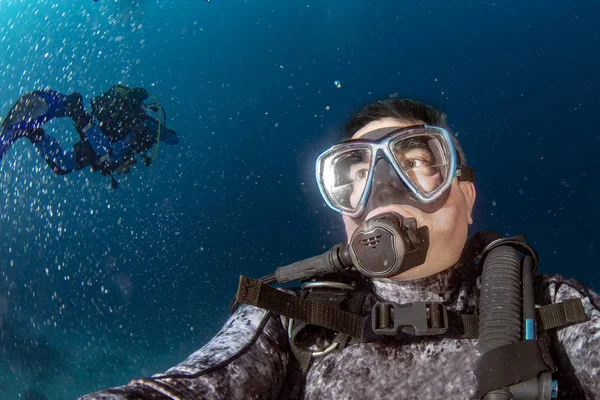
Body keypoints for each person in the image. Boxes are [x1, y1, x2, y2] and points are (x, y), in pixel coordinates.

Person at [80, 99, 600, 399]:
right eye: (354, 174)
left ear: (466, 195)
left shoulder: (554, 310)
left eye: (416, 162)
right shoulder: (294, 320)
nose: (381, 188)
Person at [0, 85, 179, 188]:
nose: (126, 169)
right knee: (103, 152)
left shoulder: (123, 150)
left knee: (62, 165)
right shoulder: (137, 131)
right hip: (104, 143)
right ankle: (74, 110)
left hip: (101, 144)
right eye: (127, 168)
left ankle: (34, 133)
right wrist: (161, 132)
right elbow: (172, 140)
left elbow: (172, 140)